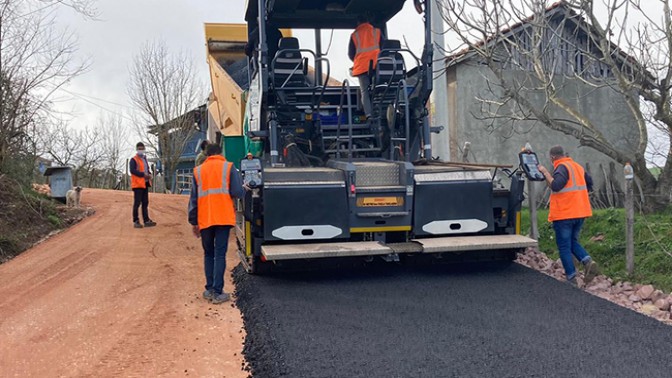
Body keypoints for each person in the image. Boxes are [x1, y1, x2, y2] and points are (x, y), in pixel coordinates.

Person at [188, 143, 246, 304]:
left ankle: (209, 289)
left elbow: (193, 199)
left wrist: (194, 222)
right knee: (220, 254)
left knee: (208, 254)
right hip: (223, 217)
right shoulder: (229, 167)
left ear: (206, 154)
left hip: (205, 219)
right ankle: (217, 291)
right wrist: (245, 188)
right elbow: (237, 192)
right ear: (220, 153)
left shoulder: (198, 171)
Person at [538, 145, 599, 287]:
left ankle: (571, 278)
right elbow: (589, 183)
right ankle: (587, 261)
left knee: (564, 246)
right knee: (572, 242)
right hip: (580, 212)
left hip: (565, 214)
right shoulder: (577, 167)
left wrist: (545, 172)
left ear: (553, 157)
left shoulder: (561, 167)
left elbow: (557, 185)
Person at [349, 15, 383, 118]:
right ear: (368, 21)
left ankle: (368, 115)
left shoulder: (355, 35)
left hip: (362, 67)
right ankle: (380, 112)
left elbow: (351, 54)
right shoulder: (377, 32)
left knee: (364, 91)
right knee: (378, 89)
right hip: (377, 66)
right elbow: (383, 47)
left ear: (358, 22)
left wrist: (358, 61)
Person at [129, 142, 157, 229]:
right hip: (137, 184)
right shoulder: (133, 160)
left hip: (145, 183)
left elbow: (147, 170)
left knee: (145, 202)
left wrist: (149, 174)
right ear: (137, 149)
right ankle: (136, 220)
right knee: (137, 203)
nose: (141, 150)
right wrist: (143, 174)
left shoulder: (145, 159)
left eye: (142, 148)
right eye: (139, 148)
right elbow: (132, 171)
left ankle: (146, 220)